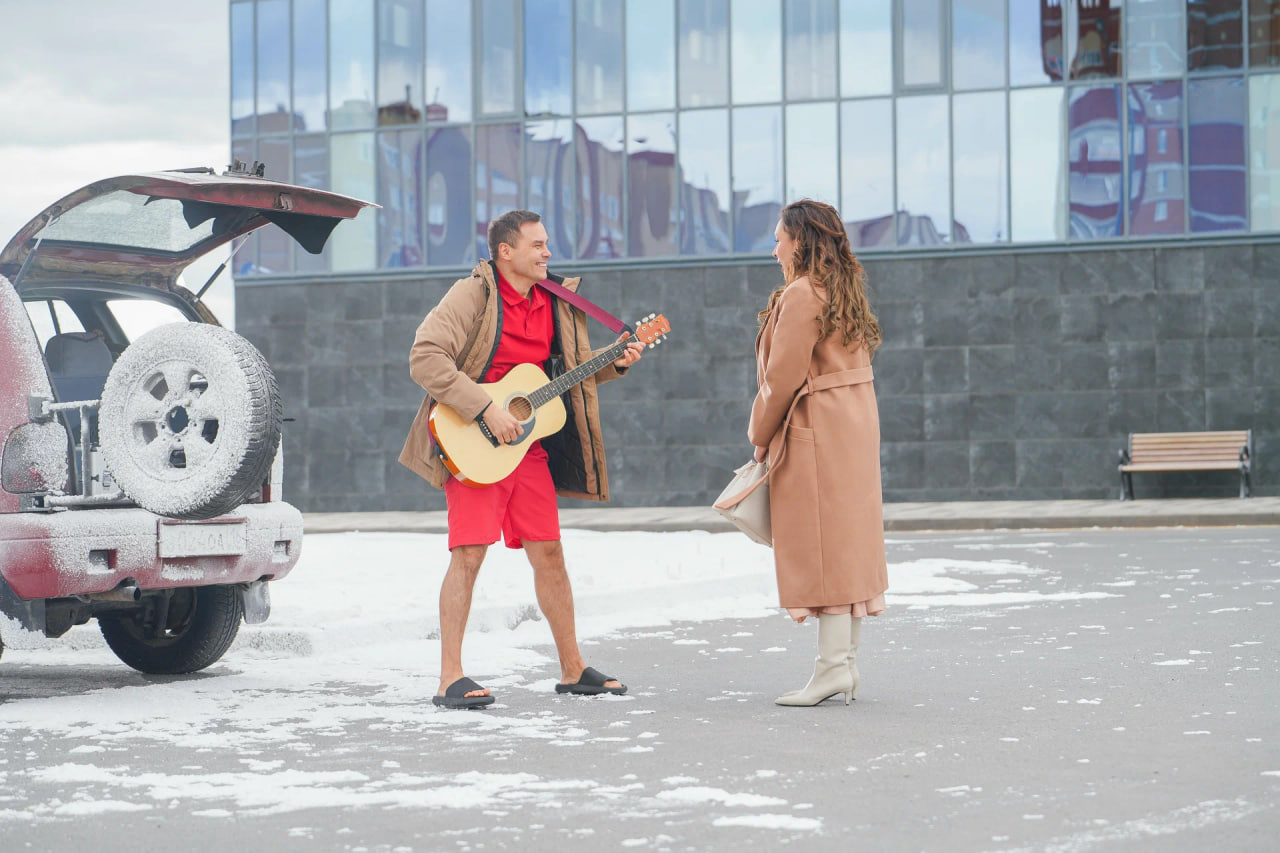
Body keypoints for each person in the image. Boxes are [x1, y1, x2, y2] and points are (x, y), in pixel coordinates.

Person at [399, 209, 644, 709]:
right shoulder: (474, 295)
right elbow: (425, 357)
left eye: (547, 243)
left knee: (550, 552)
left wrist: (612, 364)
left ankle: (574, 668)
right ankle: (450, 678)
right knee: (469, 554)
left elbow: (555, 381)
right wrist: (486, 407)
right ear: (505, 251)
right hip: (472, 439)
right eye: (537, 245)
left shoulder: (555, 300)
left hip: (527, 449)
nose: (547, 253)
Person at [747, 199, 889, 707]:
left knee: (824, 546)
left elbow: (781, 378)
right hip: (850, 424)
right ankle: (843, 666)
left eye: (780, 237)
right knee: (846, 541)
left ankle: (833, 670)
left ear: (799, 241)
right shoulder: (841, 288)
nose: (774, 248)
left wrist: (760, 434)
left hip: (818, 427)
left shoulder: (804, 292)